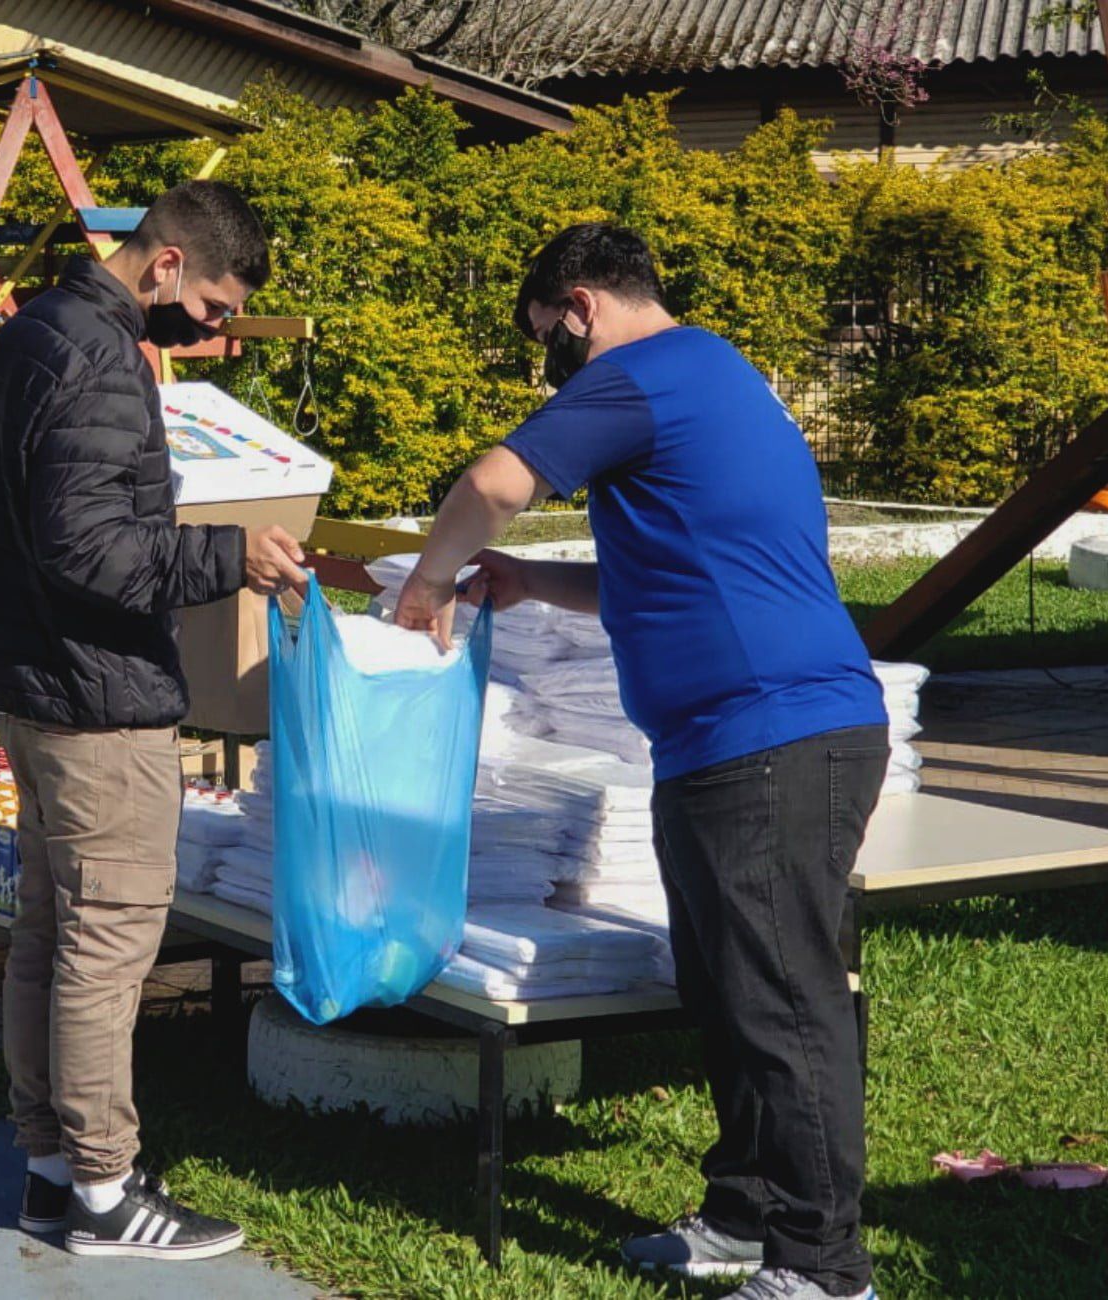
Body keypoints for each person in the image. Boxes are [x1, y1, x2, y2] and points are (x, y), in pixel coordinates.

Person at [394, 224, 887, 1300]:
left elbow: (493, 480)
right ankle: (745, 1213)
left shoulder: (644, 373)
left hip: (771, 736)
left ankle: (823, 1266)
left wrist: (426, 585)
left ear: (580, 307)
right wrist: (534, 582)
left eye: (547, 339)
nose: (550, 368)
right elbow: (671, 575)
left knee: (780, 1002)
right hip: (733, 741)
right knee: (727, 993)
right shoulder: (708, 373)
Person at [0, 180, 310, 1261]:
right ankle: (106, 1192)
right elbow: (90, 550)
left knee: (50, 932)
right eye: (209, 306)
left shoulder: (31, 332)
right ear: (165, 264)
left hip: (35, 685)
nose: (208, 331)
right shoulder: (103, 358)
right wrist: (229, 555)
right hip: (95, 702)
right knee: (105, 944)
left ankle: (50, 1175)